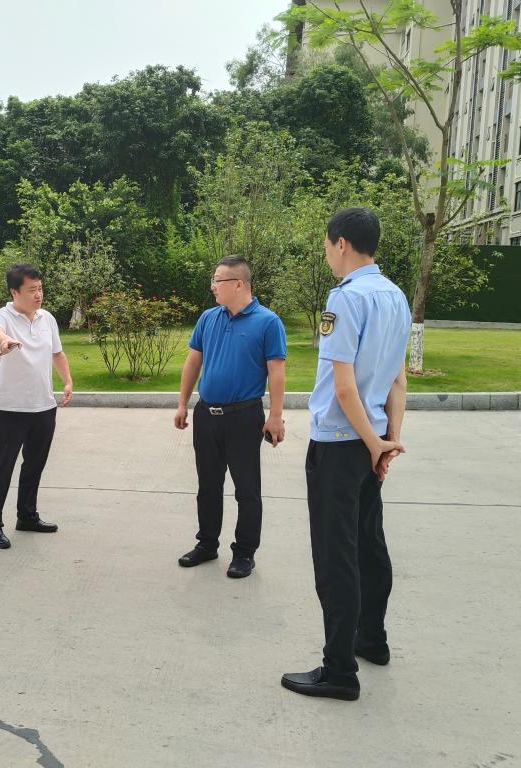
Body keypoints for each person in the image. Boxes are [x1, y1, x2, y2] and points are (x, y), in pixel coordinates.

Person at [281, 207, 410, 701]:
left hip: (339, 444)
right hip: (371, 441)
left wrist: (377, 443)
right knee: (369, 545)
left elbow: (343, 386)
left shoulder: (346, 298)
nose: (326, 255)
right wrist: (386, 439)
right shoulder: (395, 296)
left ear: (340, 244)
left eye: (326, 246)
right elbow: (397, 380)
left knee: (336, 556)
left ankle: (338, 670)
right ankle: (371, 638)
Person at [174, 255, 287, 579]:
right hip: (207, 414)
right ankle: (207, 544)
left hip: (244, 417)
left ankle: (245, 553)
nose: (213, 286)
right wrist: (182, 403)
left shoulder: (267, 322)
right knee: (208, 486)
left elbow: (276, 371)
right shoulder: (208, 318)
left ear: (238, 284)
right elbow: (193, 362)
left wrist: (275, 416)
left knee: (246, 489)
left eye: (217, 280)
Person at [0, 264, 73, 550]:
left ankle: (27, 516)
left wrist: (67, 381)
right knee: (2, 467)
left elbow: (57, 353)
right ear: (14, 292)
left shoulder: (47, 318)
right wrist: (5, 341)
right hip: (12, 407)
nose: (38, 295)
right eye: (32, 290)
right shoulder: (2, 315)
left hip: (43, 406)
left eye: (40, 289)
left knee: (35, 465)